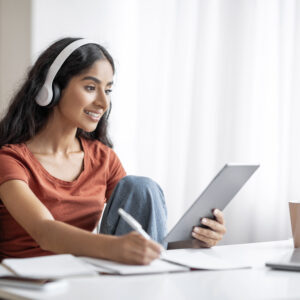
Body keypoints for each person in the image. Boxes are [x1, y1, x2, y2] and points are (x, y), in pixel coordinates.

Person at [0, 37, 226, 265]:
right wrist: (114, 247)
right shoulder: (10, 160)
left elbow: (145, 229)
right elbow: (45, 233)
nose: (103, 103)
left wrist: (194, 241)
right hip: (31, 287)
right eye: (90, 88)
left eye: (107, 90)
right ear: (52, 89)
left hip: (87, 278)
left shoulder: (103, 158)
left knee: (141, 187)